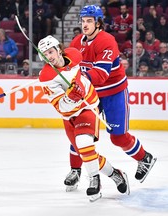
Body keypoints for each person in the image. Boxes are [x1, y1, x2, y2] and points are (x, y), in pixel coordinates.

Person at [69, 5, 157, 187]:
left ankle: (144, 158)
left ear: (99, 23)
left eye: (89, 21)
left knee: (118, 138)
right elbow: (68, 66)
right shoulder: (77, 42)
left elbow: (101, 74)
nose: (85, 25)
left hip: (114, 92)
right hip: (91, 95)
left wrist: (78, 80)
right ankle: (75, 170)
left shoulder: (107, 41)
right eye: (83, 21)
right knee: (80, 133)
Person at [38, 35, 129, 201]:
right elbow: (60, 106)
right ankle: (115, 174)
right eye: (44, 54)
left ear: (59, 49)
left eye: (51, 51)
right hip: (69, 115)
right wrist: (71, 96)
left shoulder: (73, 54)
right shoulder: (47, 77)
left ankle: (94, 180)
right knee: (86, 153)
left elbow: (83, 76)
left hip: (87, 107)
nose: (49, 56)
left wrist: (81, 87)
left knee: (84, 144)